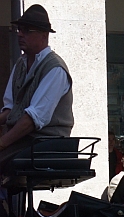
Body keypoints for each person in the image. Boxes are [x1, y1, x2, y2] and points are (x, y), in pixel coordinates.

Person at [0, 4, 73, 165]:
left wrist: (2, 142)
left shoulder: (55, 69)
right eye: (19, 29)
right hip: (25, 142)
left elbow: (32, 120)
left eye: (26, 30)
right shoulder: (21, 63)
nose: (19, 34)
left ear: (44, 35)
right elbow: (10, 109)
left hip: (45, 144)